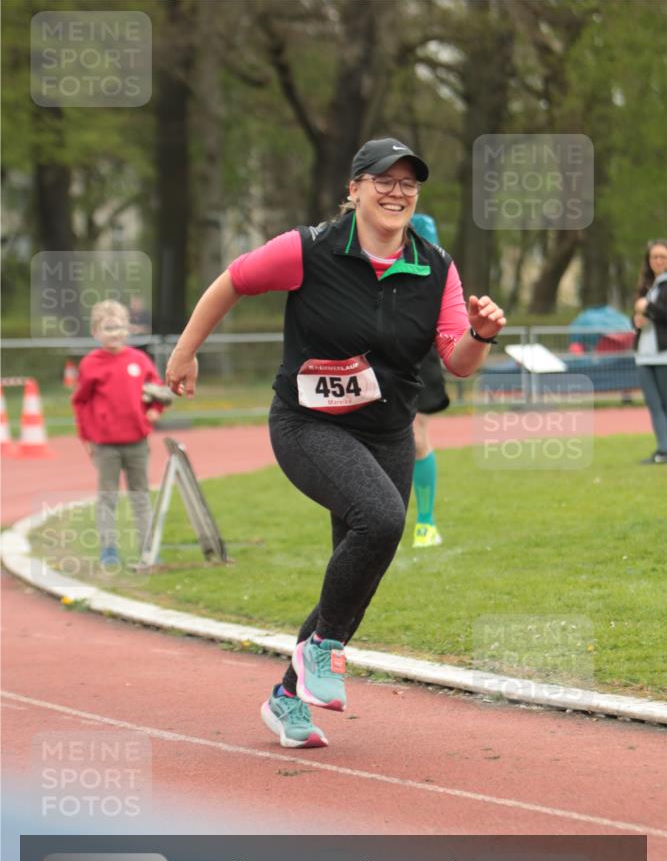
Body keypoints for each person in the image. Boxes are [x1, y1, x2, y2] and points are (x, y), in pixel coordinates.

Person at [166, 137, 505, 749]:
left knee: (358, 573)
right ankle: (321, 652)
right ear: (354, 189)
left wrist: (481, 334)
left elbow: (458, 362)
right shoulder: (308, 250)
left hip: (387, 432)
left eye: (409, 183)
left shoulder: (436, 267)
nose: (397, 191)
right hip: (308, 424)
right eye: (383, 179)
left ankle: (287, 698)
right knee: (381, 519)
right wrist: (185, 351)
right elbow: (232, 282)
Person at [72, 299, 166, 567]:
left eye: (119, 327)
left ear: (128, 329)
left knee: (141, 496)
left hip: (137, 441)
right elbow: (81, 403)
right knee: (108, 497)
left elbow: (157, 388)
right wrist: (86, 437)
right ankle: (109, 551)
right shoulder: (90, 365)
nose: (114, 333)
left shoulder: (139, 360)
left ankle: (149, 549)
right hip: (105, 445)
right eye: (108, 328)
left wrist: (156, 409)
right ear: (96, 332)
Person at [410, 213, 451, 548]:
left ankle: (426, 522)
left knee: (415, 436)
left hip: (419, 360)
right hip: (378, 358)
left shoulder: (434, 264)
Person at [632, 239, 667, 464]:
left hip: (664, 356)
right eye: (654, 257)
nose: (658, 261)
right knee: (654, 405)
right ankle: (663, 449)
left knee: (665, 403)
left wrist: (648, 308)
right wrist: (636, 320)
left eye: (662, 256)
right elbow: (638, 317)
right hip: (644, 354)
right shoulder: (647, 286)